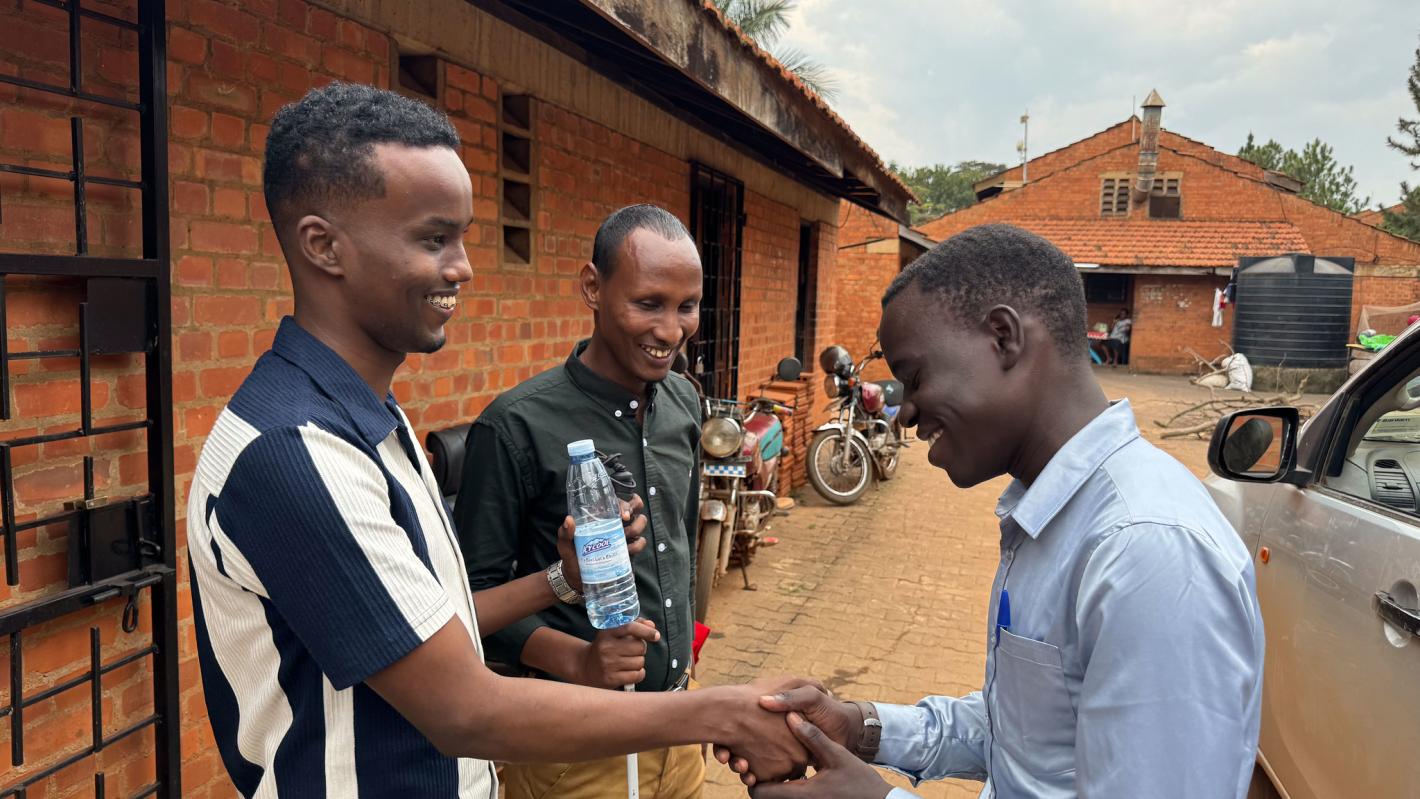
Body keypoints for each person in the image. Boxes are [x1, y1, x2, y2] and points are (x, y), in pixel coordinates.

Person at [186, 82, 812, 798]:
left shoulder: (368, 422)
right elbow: (465, 709)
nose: (463, 266)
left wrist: (559, 581)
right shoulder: (295, 454)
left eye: (462, 236)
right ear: (325, 246)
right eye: (432, 238)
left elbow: (437, 621)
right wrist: (720, 712)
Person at [720, 224, 1263, 798]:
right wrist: (859, 727)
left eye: (916, 377)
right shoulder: (1052, 516)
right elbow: (1024, 739)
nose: (906, 416)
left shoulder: (1147, 550)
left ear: (1003, 337)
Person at [457, 203, 707, 798]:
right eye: (648, 303)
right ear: (593, 287)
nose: (671, 331)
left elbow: (682, 540)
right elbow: (468, 607)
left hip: (679, 728)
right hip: (571, 748)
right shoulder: (515, 427)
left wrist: (687, 647)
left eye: (687, 306)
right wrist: (578, 661)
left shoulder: (684, 403)